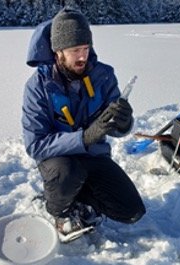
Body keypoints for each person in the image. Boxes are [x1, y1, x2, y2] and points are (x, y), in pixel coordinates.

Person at [22, 8, 146, 242]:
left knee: (131, 211)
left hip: (95, 157)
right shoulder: (37, 87)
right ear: (58, 52)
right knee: (67, 173)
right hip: (59, 161)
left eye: (86, 49)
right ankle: (58, 210)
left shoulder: (104, 75)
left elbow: (117, 127)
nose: (82, 57)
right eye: (75, 51)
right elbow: (35, 145)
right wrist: (84, 137)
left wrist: (124, 122)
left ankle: (80, 197)